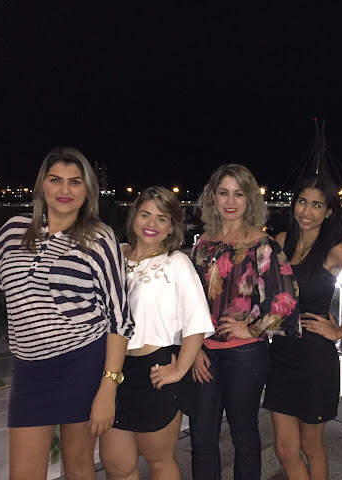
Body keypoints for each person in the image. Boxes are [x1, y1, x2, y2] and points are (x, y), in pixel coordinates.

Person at [0, 146, 133, 480]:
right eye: (55, 179)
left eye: (75, 181)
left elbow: (119, 317)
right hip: (29, 370)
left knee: (78, 468)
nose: (65, 190)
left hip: (82, 362)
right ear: (42, 186)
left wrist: (108, 387)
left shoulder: (99, 238)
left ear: (87, 190)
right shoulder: (15, 230)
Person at [263, 175, 342, 480]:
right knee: (284, 449)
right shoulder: (281, 241)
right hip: (281, 354)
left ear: (329, 211)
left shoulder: (334, 249)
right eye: (302, 202)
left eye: (317, 205)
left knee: (311, 445)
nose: (307, 211)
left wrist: (339, 331)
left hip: (314, 358)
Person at [190, 164, 301, 480]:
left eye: (238, 194)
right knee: (201, 437)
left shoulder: (261, 244)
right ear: (213, 196)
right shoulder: (203, 243)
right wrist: (193, 347)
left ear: (249, 198)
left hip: (245, 354)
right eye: (223, 192)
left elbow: (286, 299)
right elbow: (190, 302)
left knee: (243, 434)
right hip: (204, 352)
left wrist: (250, 328)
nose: (230, 201)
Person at [98, 186, 214, 480]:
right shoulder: (114, 256)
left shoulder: (176, 263)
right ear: (133, 217)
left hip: (154, 373)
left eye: (161, 218)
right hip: (112, 371)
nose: (151, 224)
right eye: (145, 214)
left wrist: (179, 369)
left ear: (171, 226)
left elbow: (196, 322)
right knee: (117, 465)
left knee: (159, 461)